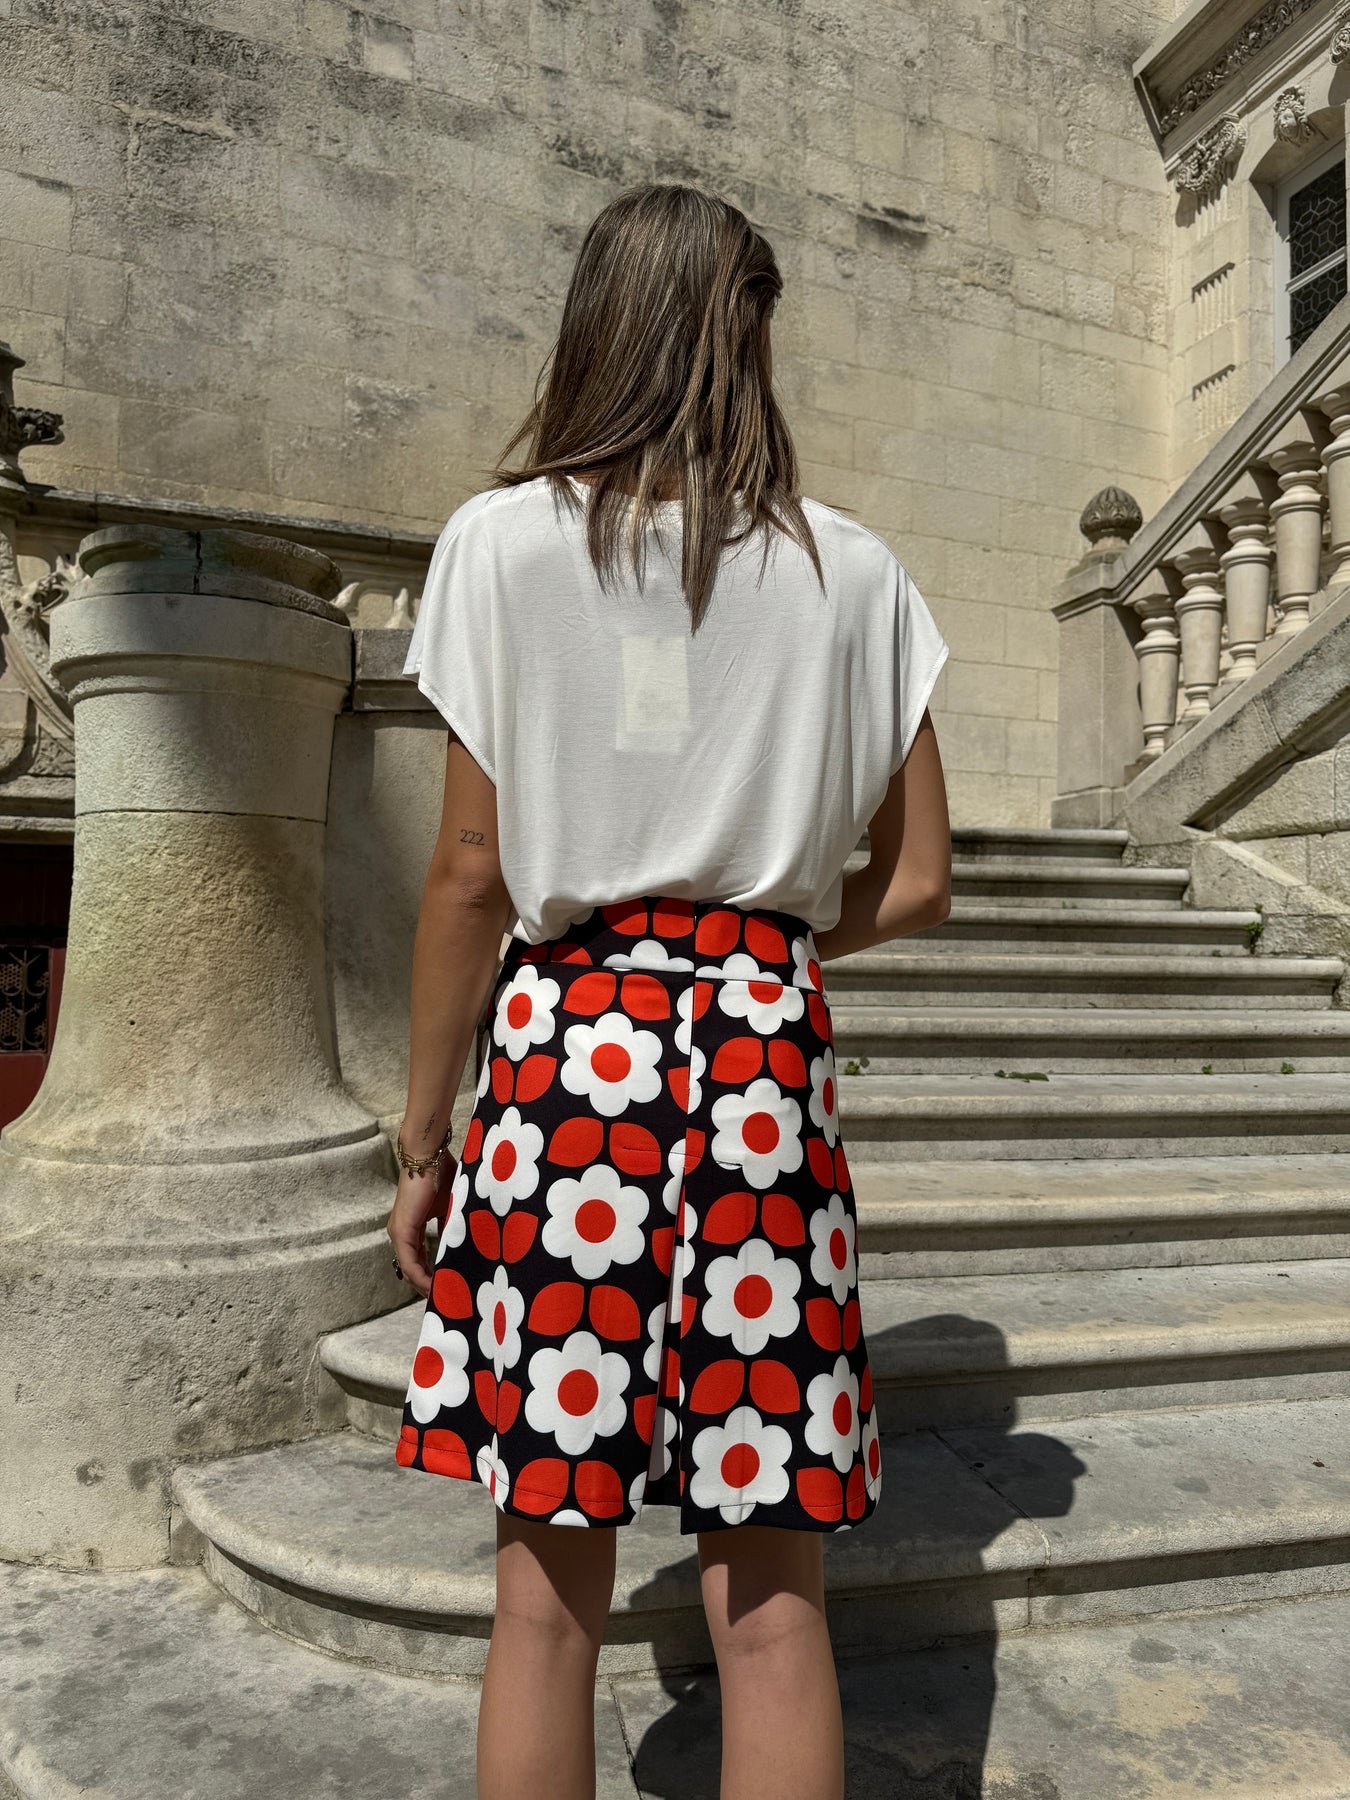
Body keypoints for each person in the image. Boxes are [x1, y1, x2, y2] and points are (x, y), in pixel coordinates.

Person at [385, 179, 952, 1800]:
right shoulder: (857, 574)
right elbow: (918, 879)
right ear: (748, 332)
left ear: (597, 323)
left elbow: (472, 875)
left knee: (544, 1602)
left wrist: (423, 1142)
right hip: (761, 1056)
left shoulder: (500, 545)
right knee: (770, 1608)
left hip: (569, 1058)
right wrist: (758, 948)